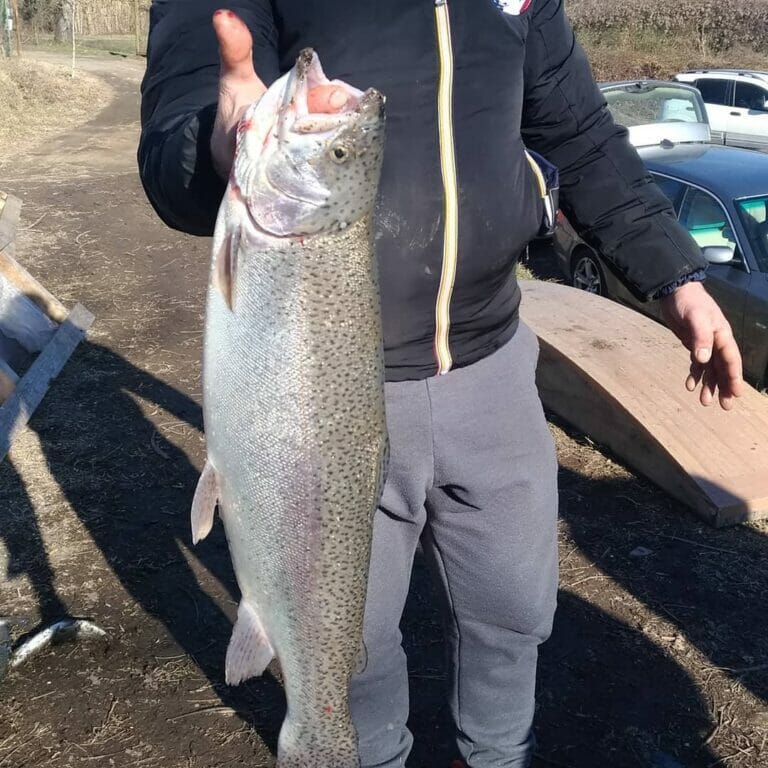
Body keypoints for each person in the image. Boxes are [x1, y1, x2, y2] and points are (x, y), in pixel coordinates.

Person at [138, 3, 744, 766]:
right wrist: (222, 141)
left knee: (515, 612)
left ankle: (498, 756)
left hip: (493, 362)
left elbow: (581, 137)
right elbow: (174, 146)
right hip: (325, 391)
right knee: (347, 639)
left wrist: (674, 278)